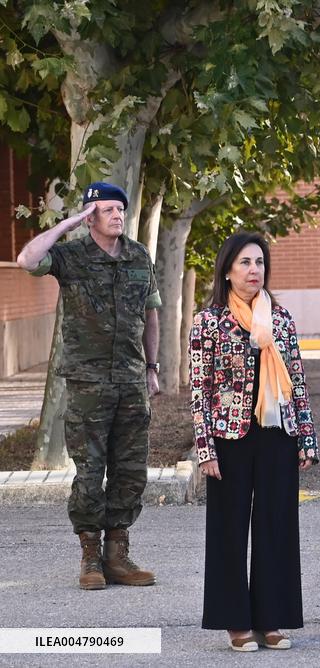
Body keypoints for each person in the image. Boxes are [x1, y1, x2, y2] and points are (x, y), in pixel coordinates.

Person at [16, 182, 160, 591]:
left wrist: (153, 367)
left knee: (130, 472)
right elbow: (27, 259)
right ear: (90, 216)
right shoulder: (71, 256)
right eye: (107, 209)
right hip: (87, 383)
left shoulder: (138, 255)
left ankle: (118, 554)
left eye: (120, 209)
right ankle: (90, 557)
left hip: (132, 381)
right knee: (89, 474)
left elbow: (151, 315)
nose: (117, 215)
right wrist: (67, 225)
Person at [189, 231, 318, 651]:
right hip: (230, 438)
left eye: (259, 262)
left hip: (278, 433)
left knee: (277, 526)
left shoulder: (280, 319)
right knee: (228, 530)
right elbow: (200, 388)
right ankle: (235, 622)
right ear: (227, 271)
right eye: (245, 262)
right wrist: (205, 447)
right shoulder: (208, 321)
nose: (253, 270)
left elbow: (297, 380)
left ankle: (271, 618)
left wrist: (306, 439)